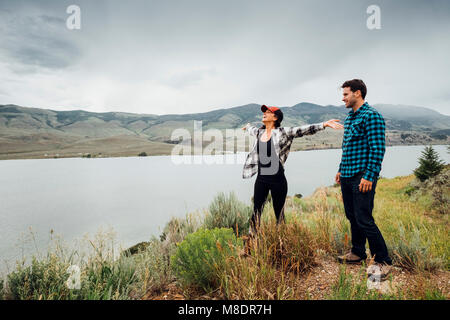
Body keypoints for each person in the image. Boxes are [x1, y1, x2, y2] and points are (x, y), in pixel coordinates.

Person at [242, 104, 343, 234]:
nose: (264, 113)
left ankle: (282, 242)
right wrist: (247, 126)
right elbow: (251, 129)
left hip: (277, 179)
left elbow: (303, 129)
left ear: (275, 117)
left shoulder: (283, 132)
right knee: (256, 211)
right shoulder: (259, 132)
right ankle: (251, 242)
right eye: (264, 112)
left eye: (267, 112)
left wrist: (323, 124)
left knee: (279, 213)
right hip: (261, 179)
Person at [335, 79, 392, 279]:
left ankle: (383, 260)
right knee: (352, 216)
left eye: (345, 94)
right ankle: (358, 252)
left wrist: (369, 176)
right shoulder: (350, 118)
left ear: (357, 93)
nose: (342, 98)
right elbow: (347, 148)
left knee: (364, 218)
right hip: (348, 174)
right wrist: (341, 169)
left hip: (362, 176)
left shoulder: (372, 116)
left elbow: (378, 150)